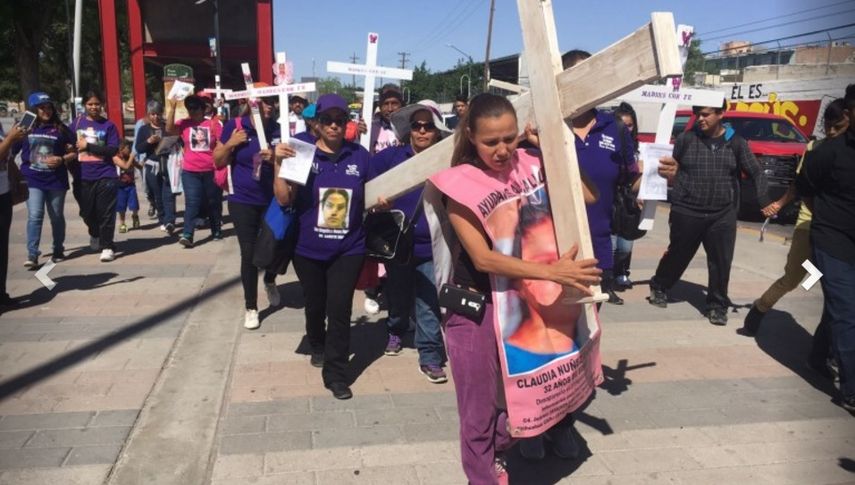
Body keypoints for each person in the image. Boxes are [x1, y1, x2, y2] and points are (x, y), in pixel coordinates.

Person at [434, 93, 601, 483]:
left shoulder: (532, 161)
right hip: (476, 305)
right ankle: (483, 475)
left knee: (524, 397)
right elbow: (483, 259)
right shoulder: (459, 182)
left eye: (509, 138)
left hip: (528, 302)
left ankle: (496, 452)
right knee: (477, 408)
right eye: (490, 141)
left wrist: (554, 152)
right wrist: (554, 274)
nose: (503, 149)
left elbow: (588, 196)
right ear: (471, 136)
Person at [275, 94, 370, 400]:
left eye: (339, 120)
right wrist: (279, 164)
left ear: (347, 124)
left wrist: (382, 202)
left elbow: (374, 194)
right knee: (315, 305)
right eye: (327, 120)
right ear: (316, 123)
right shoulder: (302, 153)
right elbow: (284, 199)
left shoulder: (360, 156)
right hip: (308, 248)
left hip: (349, 248)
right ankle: (316, 342)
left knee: (339, 309)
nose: (333, 126)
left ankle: (336, 374)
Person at [653, 100, 775, 325]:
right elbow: (672, 166)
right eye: (698, 114)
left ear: (721, 114)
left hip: (722, 213)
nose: (700, 119)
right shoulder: (687, 139)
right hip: (687, 209)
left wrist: (763, 200)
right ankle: (659, 286)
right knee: (678, 254)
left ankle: (717, 305)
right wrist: (668, 173)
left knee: (721, 261)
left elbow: (757, 173)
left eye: (706, 114)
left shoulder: (736, 143)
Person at [740, 99, 848, 345]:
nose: (832, 132)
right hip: (810, 225)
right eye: (828, 126)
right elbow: (800, 185)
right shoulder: (815, 149)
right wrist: (778, 204)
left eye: (838, 126)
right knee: (793, 279)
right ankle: (759, 309)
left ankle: (824, 349)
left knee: (835, 291)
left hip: (841, 233)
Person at [369, 99, 451, 383]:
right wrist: (375, 200)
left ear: (437, 130)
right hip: (398, 244)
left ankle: (429, 356)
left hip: (432, 244)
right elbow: (366, 175)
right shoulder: (391, 157)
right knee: (398, 293)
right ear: (409, 130)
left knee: (428, 300)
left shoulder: (448, 159)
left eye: (428, 126)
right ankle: (395, 328)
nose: (422, 131)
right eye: (416, 126)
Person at [563, 51, 639, 307]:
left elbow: (633, 178)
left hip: (598, 245)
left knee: (591, 321)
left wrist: (661, 177)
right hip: (553, 250)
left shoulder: (613, 127)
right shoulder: (547, 127)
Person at [796, 84, 855, 412]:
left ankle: (818, 356)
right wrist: (824, 217)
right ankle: (851, 389)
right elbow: (804, 186)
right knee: (846, 310)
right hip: (829, 241)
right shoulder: (828, 153)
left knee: (840, 309)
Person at [213, 93, 281, 330]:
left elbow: (290, 164)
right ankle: (251, 306)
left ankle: (270, 280)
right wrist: (231, 143)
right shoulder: (235, 126)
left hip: (272, 199)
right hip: (242, 199)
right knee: (249, 252)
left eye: (273, 101)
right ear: (252, 104)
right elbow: (218, 160)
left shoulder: (278, 130)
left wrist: (275, 159)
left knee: (275, 246)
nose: (270, 105)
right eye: (265, 101)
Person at [18, 92, 75, 268]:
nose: (46, 111)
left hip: (55, 181)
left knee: (56, 216)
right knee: (35, 215)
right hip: (32, 179)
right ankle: (32, 254)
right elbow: (11, 149)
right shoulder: (25, 127)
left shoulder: (61, 129)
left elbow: (76, 151)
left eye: (48, 107)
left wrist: (63, 159)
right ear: (34, 109)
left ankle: (58, 249)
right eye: (42, 108)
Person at [166, 94, 224, 247]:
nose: (192, 111)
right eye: (189, 108)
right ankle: (188, 233)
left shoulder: (213, 124)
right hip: (190, 171)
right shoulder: (184, 124)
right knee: (192, 202)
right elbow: (169, 129)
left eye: (195, 108)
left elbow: (221, 143)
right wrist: (171, 108)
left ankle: (216, 228)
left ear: (202, 108)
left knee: (213, 201)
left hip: (211, 169)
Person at [72, 90, 121, 262]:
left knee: (106, 213)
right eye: (90, 104)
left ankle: (107, 246)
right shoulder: (77, 123)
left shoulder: (109, 126)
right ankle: (95, 233)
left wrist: (89, 146)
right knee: (87, 212)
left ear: (102, 105)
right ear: (85, 105)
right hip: (83, 176)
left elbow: (112, 150)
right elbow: (68, 144)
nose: (94, 107)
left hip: (105, 174)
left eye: (97, 104)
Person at [135, 100, 177, 234]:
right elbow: (138, 148)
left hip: (168, 163)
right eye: (152, 114)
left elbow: (177, 141)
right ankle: (163, 218)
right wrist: (148, 141)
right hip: (152, 166)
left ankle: (170, 221)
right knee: (157, 194)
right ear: (148, 115)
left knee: (169, 194)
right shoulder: (144, 129)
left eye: (158, 114)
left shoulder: (167, 127)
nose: (156, 117)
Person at [612, 102, 641, 291]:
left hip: (629, 202)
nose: (625, 129)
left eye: (629, 125)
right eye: (621, 124)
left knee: (626, 246)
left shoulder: (639, 149)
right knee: (612, 245)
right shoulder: (609, 146)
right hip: (611, 199)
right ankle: (609, 278)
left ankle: (621, 270)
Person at [1, 124, 27, 308]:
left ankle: (1, 294)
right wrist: (10, 139)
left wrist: (19, 180)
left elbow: (6, 157)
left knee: (2, 248)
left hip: (3, 192)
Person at [113, 140, 141, 234]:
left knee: (134, 205)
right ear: (121, 149)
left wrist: (142, 163)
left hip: (131, 185)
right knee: (121, 207)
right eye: (128, 148)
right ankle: (122, 223)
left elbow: (139, 166)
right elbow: (125, 166)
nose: (129, 151)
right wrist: (132, 157)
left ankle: (135, 215)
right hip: (120, 186)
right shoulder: (116, 158)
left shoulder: (130, 158)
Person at [368, 84, 404, 155]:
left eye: (394, 103)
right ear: (380, 106)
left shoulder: (410, 129)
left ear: (402, 105)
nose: (390, 109)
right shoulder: (370, 129)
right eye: (386, 104)